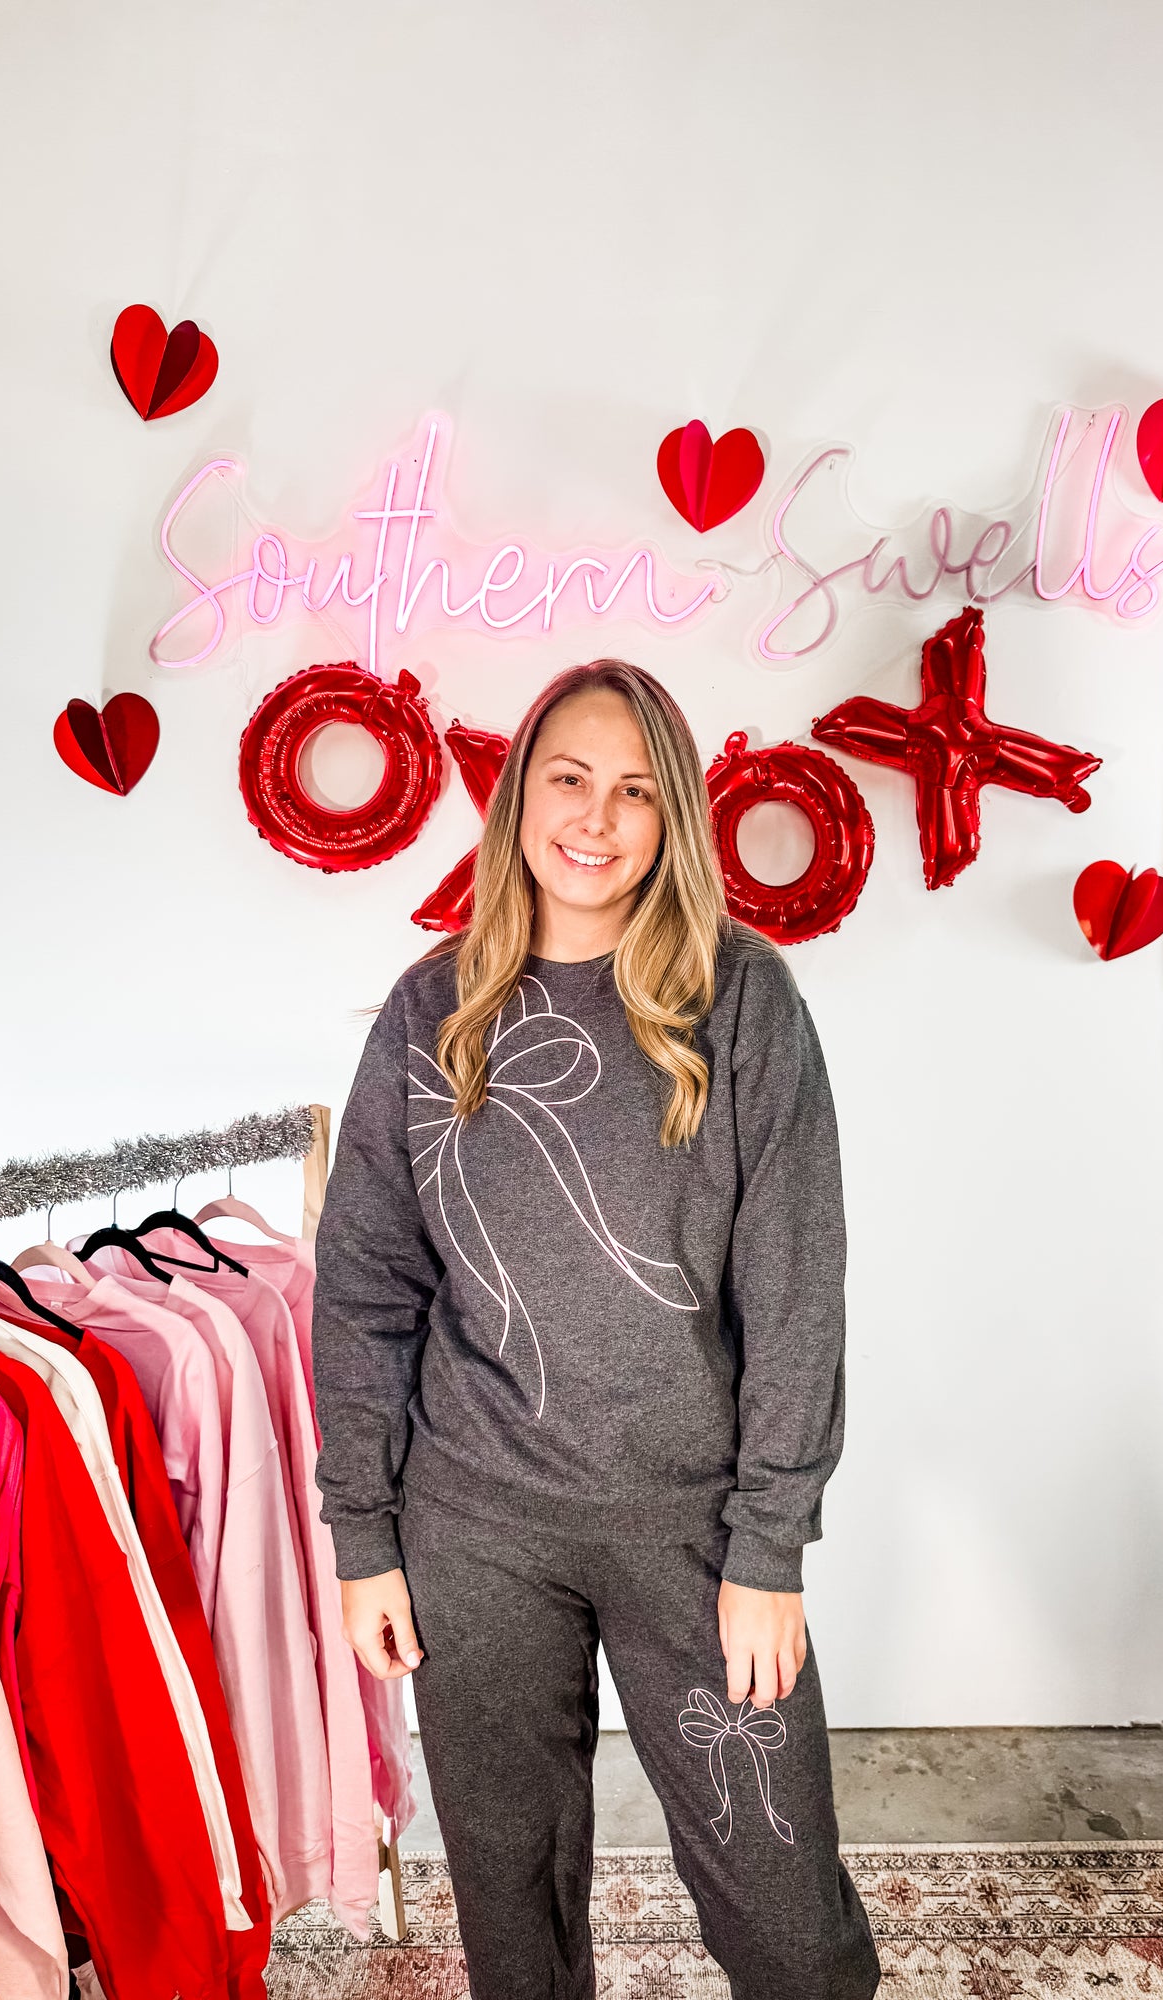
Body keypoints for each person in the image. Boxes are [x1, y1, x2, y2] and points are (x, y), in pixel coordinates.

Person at [311, 658, 880, 1999]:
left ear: (672, 814)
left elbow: (797, 1290)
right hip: (473, 1530)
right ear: (518, 800)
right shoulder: (429, 1011)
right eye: (569, 778)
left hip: (691, 1532)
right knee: (512, 1919)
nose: (597, 817)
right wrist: (363, 1534)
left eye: (635, 790)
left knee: (792, 1931)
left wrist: (769, 1548)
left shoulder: (742, 1002)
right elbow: (367, 1289)